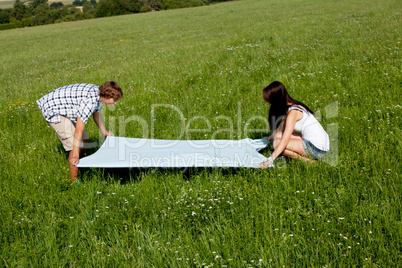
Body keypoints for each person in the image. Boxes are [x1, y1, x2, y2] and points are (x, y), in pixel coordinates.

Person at [37, 81, 123, 183]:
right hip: (53, 109)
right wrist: (76, 154)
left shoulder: (99, 95)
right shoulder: (89, 101)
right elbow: (78, 131)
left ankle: (79, 163)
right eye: (115, 100)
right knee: (73, 145)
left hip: (65, 107)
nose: (115, 102)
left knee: (84, 138)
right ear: (107, 95)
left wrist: (105, 131)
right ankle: (75, 180)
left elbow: (97, 113)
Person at [259, 81, 329, 168]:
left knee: (277, 143)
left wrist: (268, 161)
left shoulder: (293, 113)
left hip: (318, 149)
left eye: (270, 101)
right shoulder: (292, 105)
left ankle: (308, 162)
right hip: (322, 143)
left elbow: (284, 140)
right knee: (277, 136)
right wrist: (268, 139)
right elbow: (281, 128)